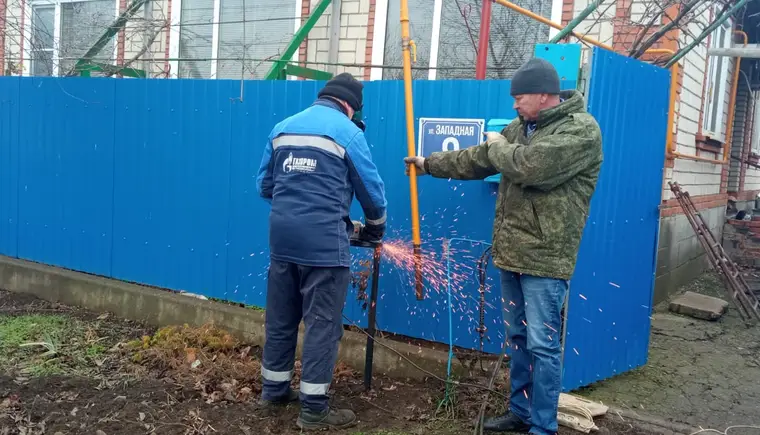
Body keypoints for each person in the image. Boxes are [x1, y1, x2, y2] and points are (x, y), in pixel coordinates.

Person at [404, 58, 603, 435]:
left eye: (520, 97)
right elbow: (479, 158)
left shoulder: (580, 130)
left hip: (546, 257)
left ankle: (543, 427)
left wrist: (498, 147)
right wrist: (429, 163)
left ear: (544, 95)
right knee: (518, 339)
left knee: (544, 345)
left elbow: (531, 167)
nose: (514, 104)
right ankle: (521, 413)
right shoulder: (521, 127)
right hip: (510, 252)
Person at [256, 73, 387, 430]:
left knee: (281, 318)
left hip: (282, 241)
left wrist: (296, 204)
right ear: (350, 106)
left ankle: (274, 390)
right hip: (325, 247)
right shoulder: (348, 133)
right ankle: (314, 408)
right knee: (322, 326)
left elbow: (265, 185)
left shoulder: (283, 128)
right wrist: (375, 227)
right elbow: (371, 192)